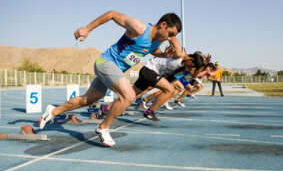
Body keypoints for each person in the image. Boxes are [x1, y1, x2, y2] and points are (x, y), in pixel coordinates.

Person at [38, 10, 182, 147]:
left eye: (172, 36)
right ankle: (103, 127)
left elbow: (153, 51)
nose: (169, 38)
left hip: (115, 70)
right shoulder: (139, 28)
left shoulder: (157, 41)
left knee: (87, 100)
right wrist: (88, 28)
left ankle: (53, 111)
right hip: (105, 62)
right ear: (163, 24)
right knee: (129, 95)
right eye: (170, 33)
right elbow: (112, 14)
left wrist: (165, 55)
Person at [97, 51, 205, 121]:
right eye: (192, 66)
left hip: (152, 74)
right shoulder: (179, 54)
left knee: (130, 96)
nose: (191, 68)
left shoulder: (185, 64)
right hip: (149, 70)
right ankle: (149, 112)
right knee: (170, 89)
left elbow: (194, 74)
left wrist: (203, 66)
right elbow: (174, 40)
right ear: (191, 60)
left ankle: (105, 108)